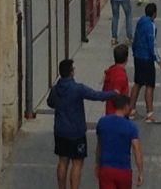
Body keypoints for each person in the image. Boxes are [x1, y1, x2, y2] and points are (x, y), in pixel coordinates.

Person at [48, 59, 118, 189]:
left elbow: (50, 103)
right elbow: (96, 95)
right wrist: (113, 93)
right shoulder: (78, 89)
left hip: (60, 131)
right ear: (71, 72)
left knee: (62, 161)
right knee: (77, 163)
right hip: (76, 132)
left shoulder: (55, 89)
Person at [95, 94, 144, 189]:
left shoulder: (102, 122)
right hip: (123, 170)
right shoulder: (131, 127)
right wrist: (140, 172)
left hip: (106, 169)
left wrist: (97, 164)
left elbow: (99, 146)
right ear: (126, 107)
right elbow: (137, 150)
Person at [130, 4, 161, 124]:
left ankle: (131, 110)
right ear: (154, 13)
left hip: (138, 57)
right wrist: (159, 61)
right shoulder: (151, 26)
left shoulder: (140, 22)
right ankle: (149, 114)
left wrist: (134, 52)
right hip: (147, 59)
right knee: (150, 85)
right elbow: (152, 45)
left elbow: (135, 39)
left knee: (138, 83)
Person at [103, 45, 131, 115]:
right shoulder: (120, 75)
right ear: (126, 59)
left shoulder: (111, 71)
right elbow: (116, 95)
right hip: (118, 114)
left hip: (109, 111)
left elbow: (104, 91)